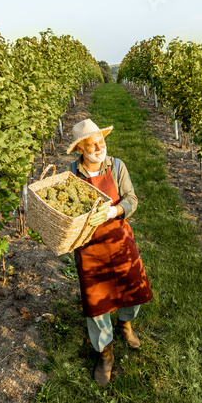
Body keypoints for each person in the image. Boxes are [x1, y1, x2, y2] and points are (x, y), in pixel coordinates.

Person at [66, 118, 153, 387]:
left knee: (133, 289)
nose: (99, 147)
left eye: (101, 141)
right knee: (97, 301)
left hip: (119, 240)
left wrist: (113, 211)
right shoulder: (72, 175)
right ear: (80, 148)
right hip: (90, 247)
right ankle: (105, 353)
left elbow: (131, 199)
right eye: (92, 144)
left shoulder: (116, 166)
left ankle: (126, 325)